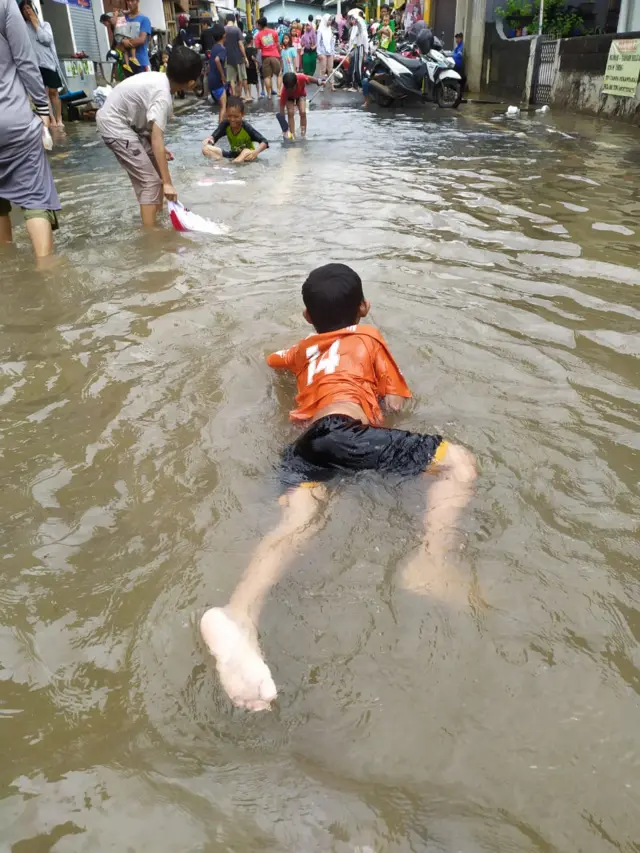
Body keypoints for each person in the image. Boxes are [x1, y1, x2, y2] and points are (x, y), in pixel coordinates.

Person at [199, 263, 477, 711]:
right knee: (459, 463)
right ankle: (432, 561)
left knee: (297, 524)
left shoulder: (301, 349)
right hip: (347, 433)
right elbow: (397, 403)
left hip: (307, 444)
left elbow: (273, 361)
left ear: (308, 317)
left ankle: (240, 614)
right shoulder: (369, 338)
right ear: (364, 307)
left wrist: (300, 358)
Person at [96, 46, 202, 227]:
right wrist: (168, 183)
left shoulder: (160, 80)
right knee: (151, 182)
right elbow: (157, 138)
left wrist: (160, 151)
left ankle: (157, 217)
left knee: (157, 166)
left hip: (126, 124)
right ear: (191, 83)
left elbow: (150, 129)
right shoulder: (163, 97)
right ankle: (151, 233)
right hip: (115, 126)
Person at [0, 0, 60, 260]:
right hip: (12, 118)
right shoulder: (5, 4)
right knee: (35, 196)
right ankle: (46, 271)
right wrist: (43, 109)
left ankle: (8, 265)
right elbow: (25, 60)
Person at [19, 1, 64, 128]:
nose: (27, 11)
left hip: (49, 63)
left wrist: (36, 24)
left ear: (34, 9)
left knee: (54, 92)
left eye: (28, 8)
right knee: (43, 93)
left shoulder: (45, 25)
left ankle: (59, 118)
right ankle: (52, 119)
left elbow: (46, 40)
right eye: (24, 9)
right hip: (34, 65)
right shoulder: (22, 27)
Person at [201, 95, 268, 163]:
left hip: (247, 155)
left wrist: (255, 152)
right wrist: (210, 139)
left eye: (236, 117)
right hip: (233, 154)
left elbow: (264, 142)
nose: (232, 119)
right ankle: (222, 162)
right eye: (229, 116)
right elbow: (214, 137)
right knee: (205, 149)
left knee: (245, 151)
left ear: (242, 114)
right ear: (226, 113)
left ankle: (232, 163)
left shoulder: (246, 127)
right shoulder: (225, 125)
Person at [278, 71, 323, 139]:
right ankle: (292, 134)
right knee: (290, 112)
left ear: (296, 83)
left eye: (292, 89)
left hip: (300, 95)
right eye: (288, 90)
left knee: (303, 112)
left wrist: (318, 82)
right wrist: (283, 123)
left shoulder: (301, 77)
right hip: (289, 98)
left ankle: (303, 133)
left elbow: (309, 78)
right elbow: (281, 108)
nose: (291, 91)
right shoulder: (284, 92)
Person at [225, 13, 251, 101]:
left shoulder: (223, 30)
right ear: (234, 20)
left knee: (231, 78)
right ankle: (246, 95)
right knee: (243, 77)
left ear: (226, 20)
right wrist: (245, 57)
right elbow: (240, 45)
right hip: (238, 57)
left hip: (228, 58)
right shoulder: (237, 30)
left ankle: (233, 95)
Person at [121, 0, 152, 72]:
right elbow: (118, 38)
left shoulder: (144, 19)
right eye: (128, 1)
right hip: (127, 63)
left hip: (141, 62)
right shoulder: (123, 19)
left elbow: (141, 40)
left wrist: (125, 43)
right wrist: (122, 41)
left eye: (132, 1)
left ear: (138, 1)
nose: (129, 3)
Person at [254, 17, 281, 99]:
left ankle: (269, 94)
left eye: (257, 25)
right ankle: (279, 91)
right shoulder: (274, 32)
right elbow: (278, 44)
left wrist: (263, 46)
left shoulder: (258, 35)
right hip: (275, 55)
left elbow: (257, 47)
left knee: (267, 76)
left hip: (265, 57)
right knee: (279, 74)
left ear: (260, 25)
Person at [207, 24, 227, 123]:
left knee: (221, 105)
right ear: (224, 35)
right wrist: (223, 76)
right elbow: (217, 60)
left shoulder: (214, 47)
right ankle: (220, 127)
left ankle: (222, 125)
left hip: (211, 80)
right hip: (218, 81)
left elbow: (209, 65)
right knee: (223, 105)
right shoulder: (222, 49)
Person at [347, 8, 367, 91]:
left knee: (358, 68)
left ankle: (360, 86)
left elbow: (365, 40)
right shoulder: (354, 28)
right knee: (353, 68)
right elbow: (352, 40)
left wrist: (365, 53)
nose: (351, 20)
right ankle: (354, 85)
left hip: (360, 48)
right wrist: (349, 50)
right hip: (354, 49)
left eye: (353, 18)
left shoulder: (361, 26)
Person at [316, 14, 335, 89]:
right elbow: (318, 42)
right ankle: (321, 85)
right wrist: (319, 53)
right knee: (323, 70)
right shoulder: (320, 30)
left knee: (330, 69)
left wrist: (333, 52)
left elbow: (332, 42)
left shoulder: (330, 29)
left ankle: (332, 85)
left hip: (330, 51)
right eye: (329, 20)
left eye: (331, 20)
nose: (330, 21)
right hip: (322, 52)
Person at [244, 34, 261, 99]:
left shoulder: (245, 49)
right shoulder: (254, 49)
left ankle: (250, 95)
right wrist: (257, 61)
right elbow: (253, 57)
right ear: (251, 41)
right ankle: (258, 94)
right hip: (253, 66)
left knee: (248, 81)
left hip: (247, 66)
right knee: (256, 80)